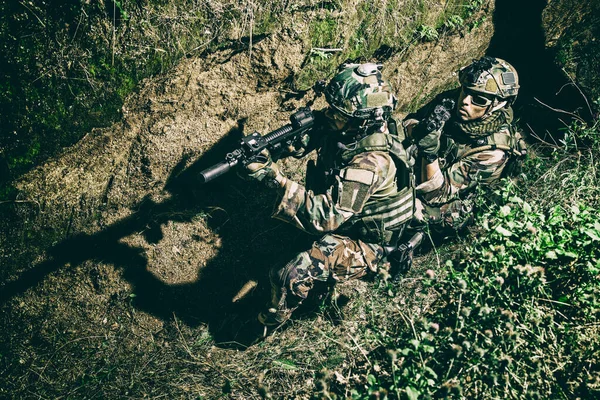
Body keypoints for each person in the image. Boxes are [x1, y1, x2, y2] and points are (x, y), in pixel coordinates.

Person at [243, 63, 415, 334]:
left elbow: (324, 218)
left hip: (372, 245)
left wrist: (272, 177)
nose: (329, 115)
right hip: (352, 219)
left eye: (338, 113)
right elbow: (319, 138)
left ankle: (264, 326)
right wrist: (278, 146)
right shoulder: (360, 129)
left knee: (289, 273)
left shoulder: (370, 163)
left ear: (362, 120)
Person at [404, 56, 526, 235]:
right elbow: (409, 121)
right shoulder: (454, 100)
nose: (465, 101)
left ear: (498, 105)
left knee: (410, 211)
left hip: (455, 200)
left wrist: (429, 153)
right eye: (465, 90)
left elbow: (436, 195)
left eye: (479, 100)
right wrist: (419, 130)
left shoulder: (493, 152)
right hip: (435, 169)